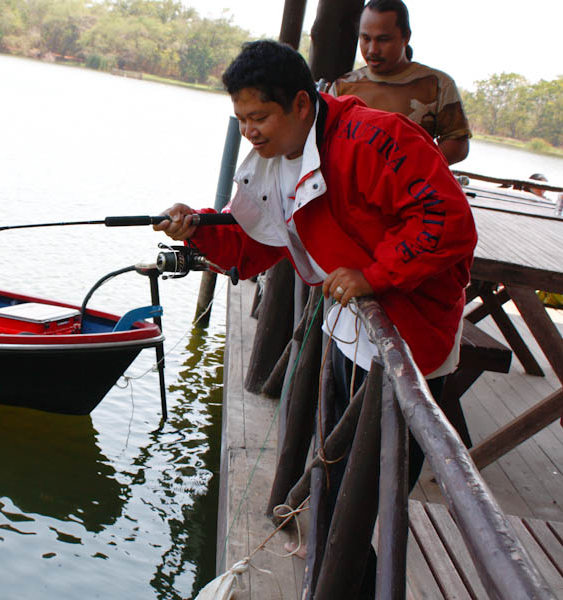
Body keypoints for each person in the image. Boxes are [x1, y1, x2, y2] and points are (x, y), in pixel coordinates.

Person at [154, 40, 477, 596]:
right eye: (241, 119)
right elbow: (254, 245)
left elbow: (447, 223)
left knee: (369, 495)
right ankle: (335, 579)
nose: (249, 132)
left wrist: (375, 273)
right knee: (332, 482)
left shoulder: (377, 138)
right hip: (347, 337)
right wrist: (200, 227)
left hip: (411, 343)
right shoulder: (280, 157)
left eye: (259, 117)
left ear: (301, 105)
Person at [329, 0, 471, 165]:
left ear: (406, 37)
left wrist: (413, 167)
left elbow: (458, 144)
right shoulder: (342, 87)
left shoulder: (437, 85)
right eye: (366, 38)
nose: (373, 49)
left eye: (383, 40)